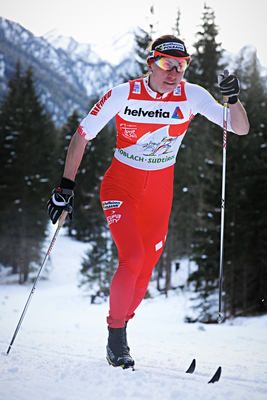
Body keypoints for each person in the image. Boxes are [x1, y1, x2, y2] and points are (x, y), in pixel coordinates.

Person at [47, 35, 249, 369]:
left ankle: (122, 325)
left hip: (160, 190)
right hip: (120, 187)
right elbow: (82, 135)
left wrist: (234, 98)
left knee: (146, 269)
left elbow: (238, 127)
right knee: (133, 257)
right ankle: (116, 341)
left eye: (181, 65)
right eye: (167, 64)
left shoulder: (192, 95)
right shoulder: (123, 94)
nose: (174, 72)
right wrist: (66, 185)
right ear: (151, 63)